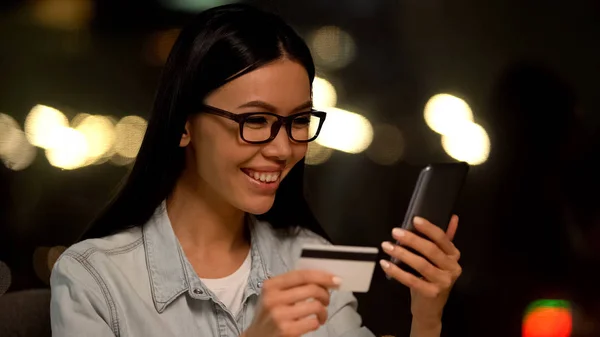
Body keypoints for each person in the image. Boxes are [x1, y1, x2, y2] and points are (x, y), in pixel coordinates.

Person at [49, 4, 462, 337]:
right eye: (256, 121)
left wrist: (426, 318)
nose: (283, 148)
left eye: (299, 121)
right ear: (183, 125)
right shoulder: (95, 279)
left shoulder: (312, 259)